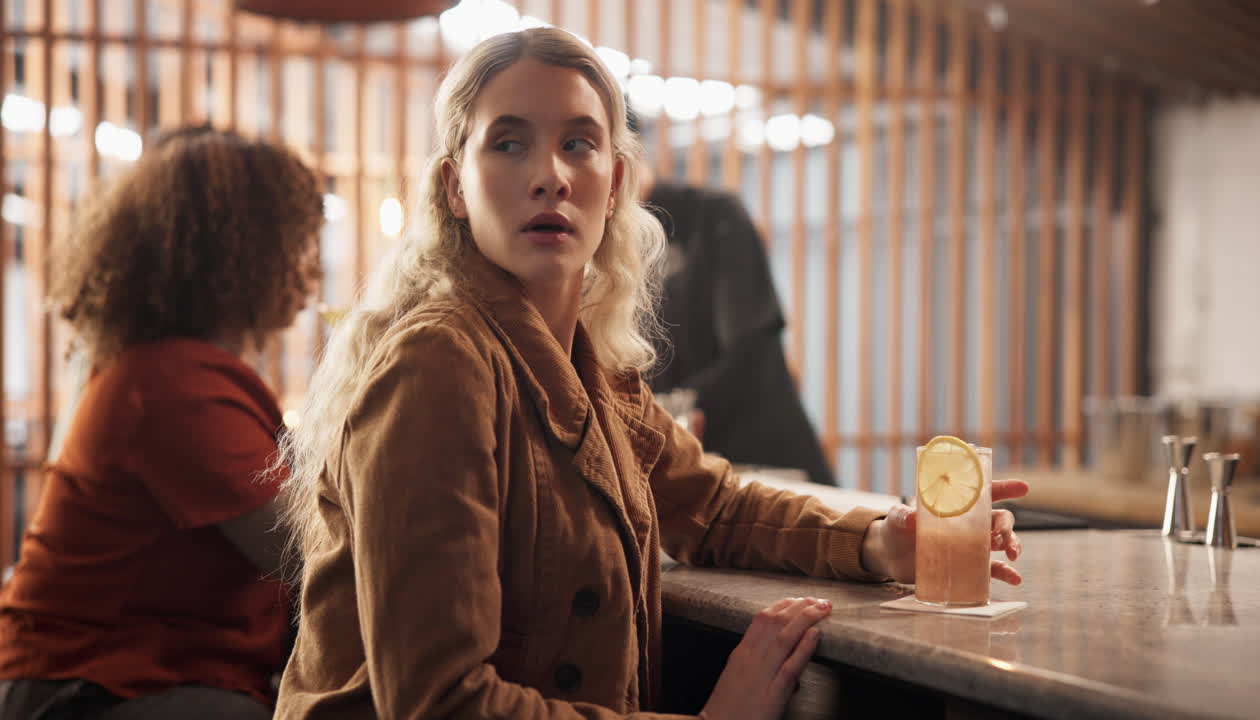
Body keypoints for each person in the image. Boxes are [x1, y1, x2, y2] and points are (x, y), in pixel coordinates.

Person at [273, 27, 1026, 720]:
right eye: (508, 144)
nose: (550, 177)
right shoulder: (437, 362)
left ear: (618, 182)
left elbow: (716, 507)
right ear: (453, 189)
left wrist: (876, 543)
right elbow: (440, 703)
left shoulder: (588, 365)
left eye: (578, 143)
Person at [0, 126, 324, 719]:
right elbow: (311, 553)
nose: (309, 275)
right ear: (236, 259)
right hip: (85, 687)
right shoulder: (175, 387)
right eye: (293, 249)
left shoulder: (167, 371)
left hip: (136, 674)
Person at [635, 148, 836, 486]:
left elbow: (751, 349)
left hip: (760, 447)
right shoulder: (605, 240)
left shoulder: (714, 214)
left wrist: (656, 413)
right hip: (683, 462)